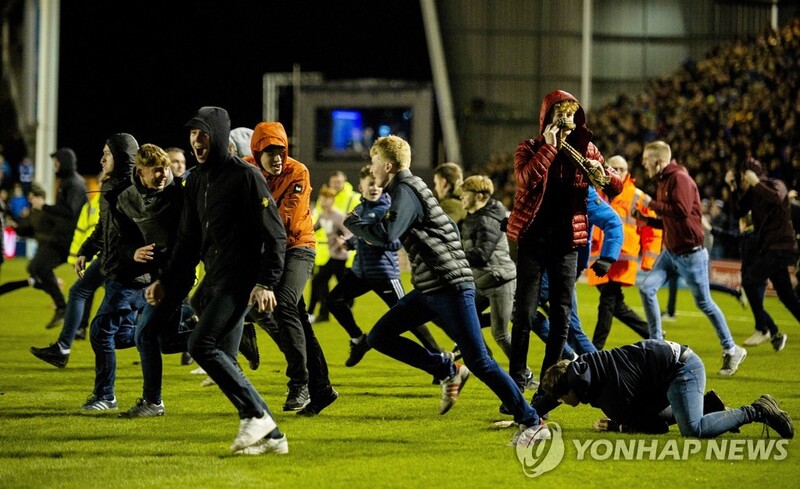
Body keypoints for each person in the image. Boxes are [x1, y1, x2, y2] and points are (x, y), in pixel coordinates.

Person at [344, 135, 548, 446]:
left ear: (387, 165)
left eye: (373, 164)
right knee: (379, 337)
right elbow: (433, 232)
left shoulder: (405, 190)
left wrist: (355, 224)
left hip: (448, 286)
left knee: (479, 360)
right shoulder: (407, 190)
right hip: (430, 286)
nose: (371, 170)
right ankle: (448, 369)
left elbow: (388, 236)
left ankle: (532, 421)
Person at [146, 107, 288, 455]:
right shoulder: (195, 180)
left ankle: (256, 416)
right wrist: (166, 279)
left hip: (241, 277)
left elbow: (276, 235)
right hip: (214, 276)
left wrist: (266, 282)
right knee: (204, 344)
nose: (196, 140)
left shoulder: (245, 176)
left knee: (201, 344)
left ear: (220, 137)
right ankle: (271, 435)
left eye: (203, 134)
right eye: (193, 134)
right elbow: (188, 240)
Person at [506, 89, 623, 394]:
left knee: (562, 315)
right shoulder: (529, 147)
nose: (567, 120)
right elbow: (526, 179)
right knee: (525, 313)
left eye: (571, 114)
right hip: (533, 239)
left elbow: (617, 186)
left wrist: (603, 173)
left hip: (568, 242)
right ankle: (517, 380)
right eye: (560, 114)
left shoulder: (587, 150)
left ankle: (548, 384)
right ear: (546, 118)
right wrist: (548, 148)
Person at [246, 121, 337, 415]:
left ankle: (299, 382)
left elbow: (282, 222)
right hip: (267, 250)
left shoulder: (297, 172)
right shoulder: (245, 170)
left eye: (281, 151)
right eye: (269, 152)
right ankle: (321, 389)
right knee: (294, 320)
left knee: (283, 304)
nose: (277, 158)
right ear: (256, 152)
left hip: (298, 247)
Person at [637, 141, 746, 376]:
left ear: (658, 160)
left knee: (704, 303)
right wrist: (648, 219)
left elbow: (682, 211)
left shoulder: (680, 179)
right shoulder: (664, 180)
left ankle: (731, 348)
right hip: (672, 252)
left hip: (691, 253)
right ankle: (658, 345)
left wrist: (650, 203)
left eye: (646, 160)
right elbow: (671, 219)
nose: (643, 165)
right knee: (646, 288)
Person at [540, 339, 794, 439]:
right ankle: (703, 406)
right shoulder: (586, 367)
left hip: (683, 369)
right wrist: (530, 415)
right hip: (669, 367)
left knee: (693, 430)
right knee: (659, 415)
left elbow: (657, 428)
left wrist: (621, 425)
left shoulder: (611, 395)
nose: (561, 402)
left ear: (572, 388)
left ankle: (758, 410)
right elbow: (560, 383)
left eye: (561, 397)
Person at [328, 165, 442, 367]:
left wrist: (377, 240)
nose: (374, 188)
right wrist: (350, 243)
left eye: (376, 184)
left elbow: (398, 242)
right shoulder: (359, 210)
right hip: (360, 273)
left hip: (385, 274)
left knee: (409, 318)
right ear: (360, 186)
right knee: (333, 300)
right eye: (369, 184)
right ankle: (357, 338)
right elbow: (361, 235)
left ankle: (438, 354)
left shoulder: (388, 208)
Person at [77, 134, 149, 412]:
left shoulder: (130, 191)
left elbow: (144, 233)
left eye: (107, 154)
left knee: (99, 331)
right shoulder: (111, 189)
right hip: (116, 271)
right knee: (123, 336)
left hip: (129, 275)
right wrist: (86, 249)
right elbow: (103, 229)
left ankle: (105, 396)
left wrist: (131, 255)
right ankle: (193, 333)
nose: (101, 159)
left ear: (119, 157)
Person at [117, 144, 188, 417]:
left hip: (175, 273)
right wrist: (131, 252)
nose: (162, 175)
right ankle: (228, 336)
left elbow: (190, 236)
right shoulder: (126, 198)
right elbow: (122, 239)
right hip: (156, 275)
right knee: (166, 341)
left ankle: (153, 402)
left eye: (165, 169)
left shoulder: (180, 193)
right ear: (140, 172)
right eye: (156, 170)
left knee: (144, 334)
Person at [1, 149, 87, 330]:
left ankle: (69, 314)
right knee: (35, 268)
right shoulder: (67, 182)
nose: (54, 166)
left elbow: (71, 212)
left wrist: (45, 207)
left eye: (56, 162)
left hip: (68, 240)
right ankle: (67, 311)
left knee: (88, 284)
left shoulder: (74, 183)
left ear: (64, 162)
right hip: (61, 238)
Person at [726, 157, 800, 352]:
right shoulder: (754, 192)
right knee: (786, 296)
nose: (743, 180)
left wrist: (756, 183)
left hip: (781, 246)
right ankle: (767, 328)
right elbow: (738, 212)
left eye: (742, 176)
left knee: (750, 280)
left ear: (749, 173)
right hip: (770, 248)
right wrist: (733, 188)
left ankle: (764, 328)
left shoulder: (775, 184)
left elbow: (777, 198)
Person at [586, 156, 656, 349]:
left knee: (607, 303)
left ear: (628, 172)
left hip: (622, 258)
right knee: (617, 306)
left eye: (621, 168)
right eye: (613, 167)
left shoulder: (637, 196)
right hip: (599, 257)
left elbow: (653, 230)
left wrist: (649, 259)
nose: (617, 171)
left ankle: (594, 349)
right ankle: (654, 333)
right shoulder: (595, 191)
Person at [308, 187, 350, 323]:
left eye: (327, 198)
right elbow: (313, 229)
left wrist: (343, 240)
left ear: (332, 200)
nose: (324, 201)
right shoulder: (322, 215)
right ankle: (320, 313)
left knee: (343, 287)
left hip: (341, 257)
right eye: (322, 197)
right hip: (332, 257)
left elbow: (349, 232)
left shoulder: (338, 216)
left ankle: (322, 312)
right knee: (318, 281)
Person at [433, 162, 466, 228]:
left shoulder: (450, 206)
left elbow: (440, 230)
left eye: (436, 183)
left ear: (443, 182)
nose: (435, 188)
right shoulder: (464, 201)